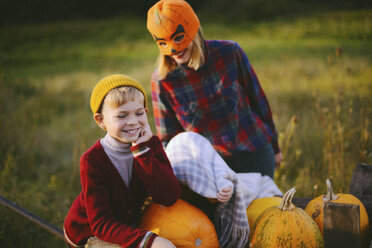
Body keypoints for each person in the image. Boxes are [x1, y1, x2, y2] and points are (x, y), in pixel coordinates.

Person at [147, 0, 283, 181]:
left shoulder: (229, 52)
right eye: (164, 42)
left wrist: (275, 147)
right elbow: (170, 140)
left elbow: (258, 99)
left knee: (266, 208)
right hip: (211, 169)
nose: (174, 50)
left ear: (193, 29)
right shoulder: (162, 81)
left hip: (255, 152)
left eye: (179, 38)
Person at [63, 74, 180, 248]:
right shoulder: (92, 160)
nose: (132, 122)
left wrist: (142, 153)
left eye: (138, 113)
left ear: (145, 113)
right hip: (91, 232)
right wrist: (148, 241)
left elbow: (168, 196)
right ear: (101, 120)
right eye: (122, 116)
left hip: (126, 224)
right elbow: (101, 223)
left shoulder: (151, 145)